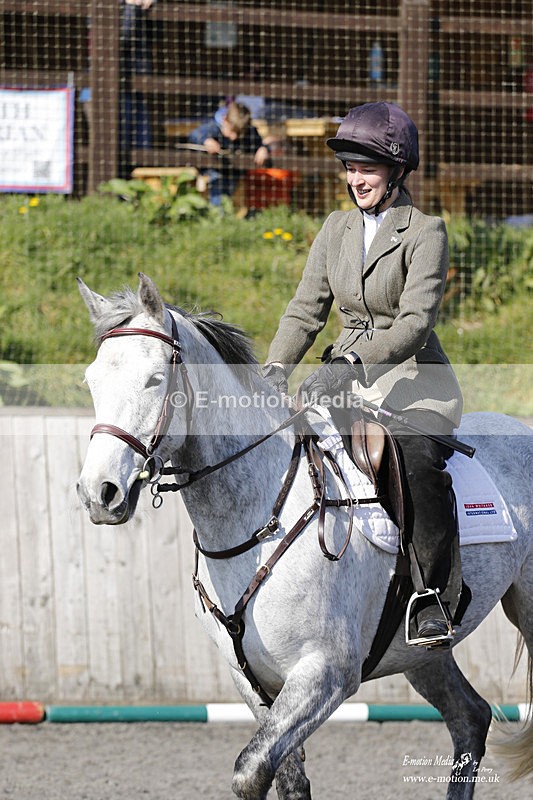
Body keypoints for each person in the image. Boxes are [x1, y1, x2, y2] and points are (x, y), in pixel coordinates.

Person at [262, 101, 468, 647]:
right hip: (342, 379)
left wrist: (354, 363)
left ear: (397, 171)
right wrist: (273, 373)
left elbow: (415, 323)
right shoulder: (335, 229)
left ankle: (434, 595)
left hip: (411, 383)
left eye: (368, 168)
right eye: (351, 168)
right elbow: (306, 310)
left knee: (413, 458)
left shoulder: (426, 231)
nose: (357, 179)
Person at [188, 101, 270, 205]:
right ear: (224, 120)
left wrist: (262, 148)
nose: (234, 137)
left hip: (234, 171)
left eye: (239, 133)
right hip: (214, 168)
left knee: (229, 190)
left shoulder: (249, 131)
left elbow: (258, 142)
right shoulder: (213, 126)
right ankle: (217, 214)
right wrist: (206, 140)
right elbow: (194, 135)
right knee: (218, 187)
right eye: (232, 131)